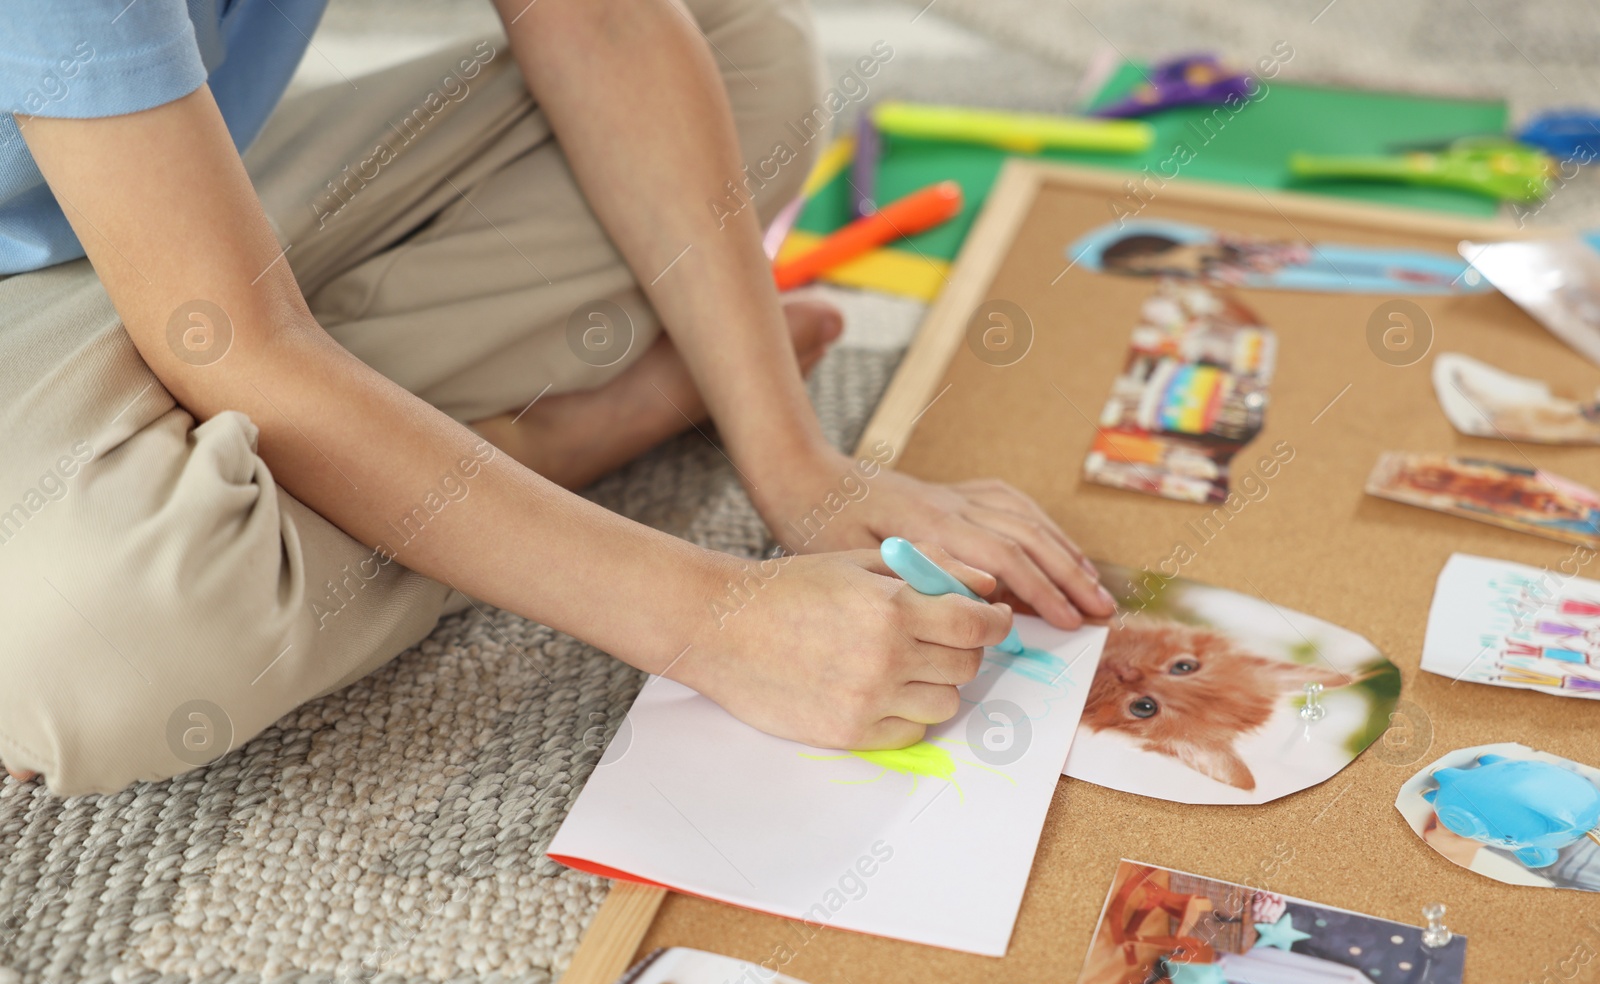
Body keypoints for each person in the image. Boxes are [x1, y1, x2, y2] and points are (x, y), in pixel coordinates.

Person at [0, 0, 1112, 795]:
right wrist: (708, 617)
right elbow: (242, 345)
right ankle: (536, 442)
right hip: (98, 269)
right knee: (92, 649)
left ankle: (276, 476)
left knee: (743, 63)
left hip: (167, 178)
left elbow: (605, 23)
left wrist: (794, 464)